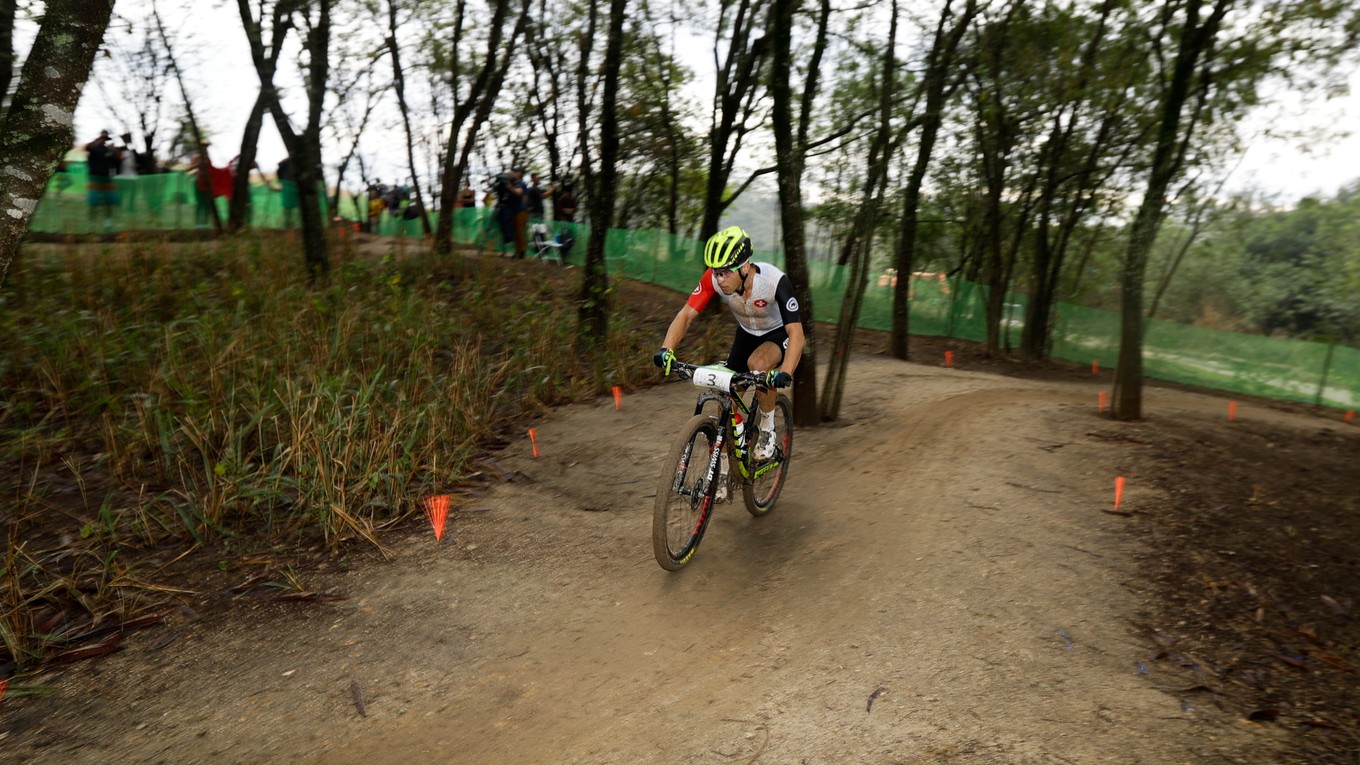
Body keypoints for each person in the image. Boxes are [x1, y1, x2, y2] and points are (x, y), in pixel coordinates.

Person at [653, 225, 804, 468]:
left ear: (744, 267)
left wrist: (785, 371)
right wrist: (666, 349)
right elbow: (686, 314)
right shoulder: (713, 279)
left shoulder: (774, 281)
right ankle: (725, 469)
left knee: (758, 364)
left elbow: (796, 333)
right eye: (716, 272)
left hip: (777, 334)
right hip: (746, 334)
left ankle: (767, 429)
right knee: (726, 401)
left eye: (725, 273)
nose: (719, 279)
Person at [84, 130, 120, 231]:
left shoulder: (108, 149)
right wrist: (96, 141)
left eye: (105, 138)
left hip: (106, 178)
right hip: (94, 177)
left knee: (109, 201)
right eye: (102, 137)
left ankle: (108, 224)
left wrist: (114, 150)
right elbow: (86, 147)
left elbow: (117, 161)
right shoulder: (93, 147)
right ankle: (91, 225)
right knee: (93, 202)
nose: (103, 139)